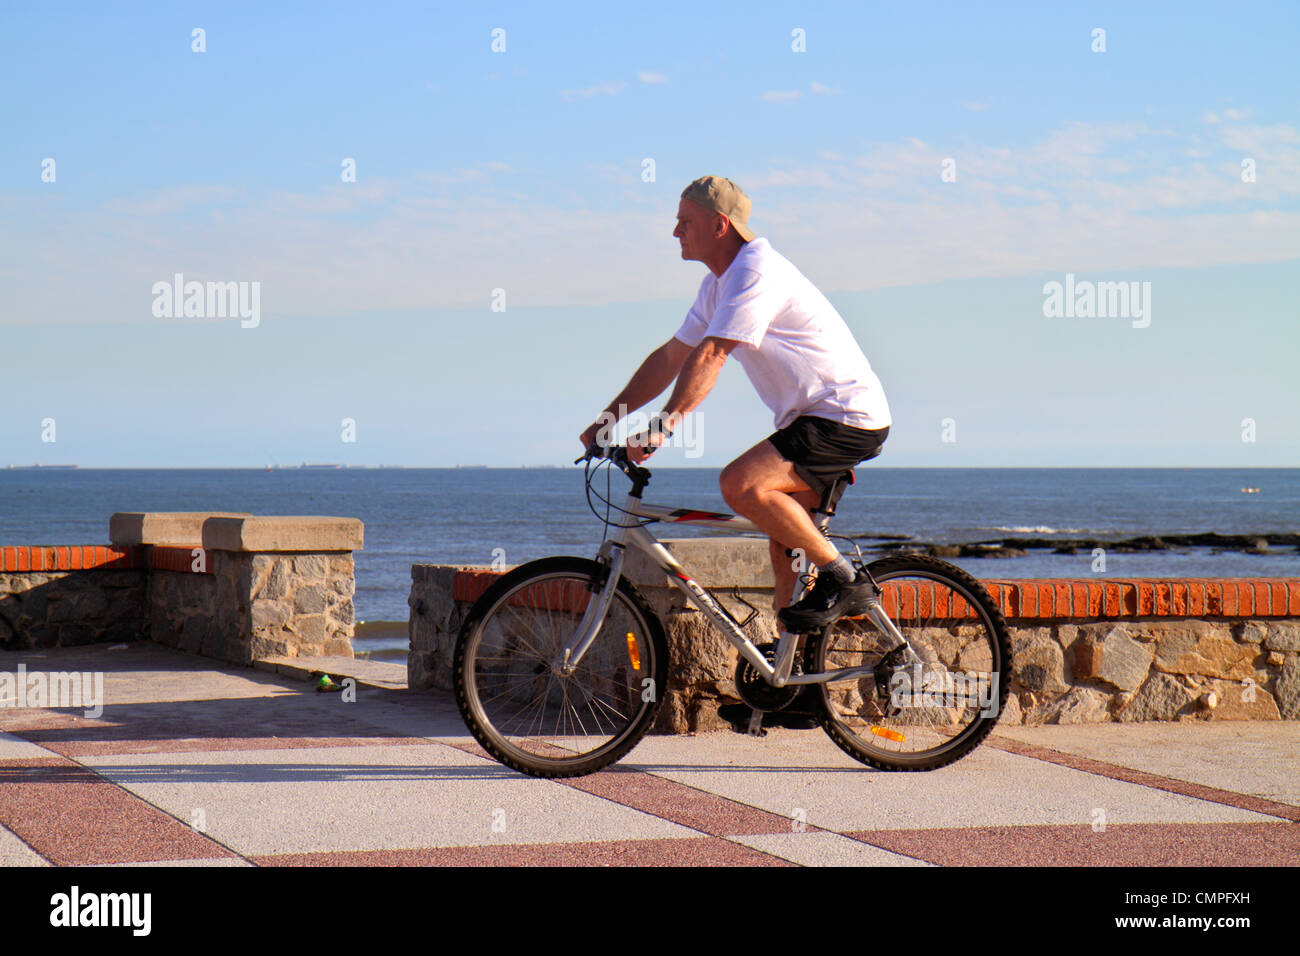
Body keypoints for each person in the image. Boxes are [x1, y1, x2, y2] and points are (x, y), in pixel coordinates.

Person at [579, 175, 891, 634]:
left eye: (685, 221)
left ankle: (844, 580)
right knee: (786, 547)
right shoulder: (718, 283)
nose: (675, 232)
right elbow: (672, 357)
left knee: (741, 484)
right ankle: (790, 684)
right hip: (812, 417)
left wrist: (664, 426)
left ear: (720, 225)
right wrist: (608, 419)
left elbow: (712, 354)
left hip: (843, 415)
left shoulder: (755, 271)